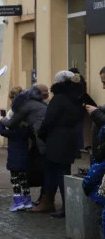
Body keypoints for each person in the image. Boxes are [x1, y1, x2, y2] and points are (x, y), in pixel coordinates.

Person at [35, 70, 85, 217]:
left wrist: (42, 134)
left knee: (58, 173)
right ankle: (53, 203)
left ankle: (63, 206)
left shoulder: (59, 99)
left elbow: (49, 120)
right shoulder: (77, 97)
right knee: (61, 171)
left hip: (56, 139)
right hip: (70, 138)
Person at [1, 83, 49, 205]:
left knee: (21, 176)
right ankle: (33, 200)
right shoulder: (43, 104)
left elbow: (10, 124)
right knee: (39, 172)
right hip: (40, 141)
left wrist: (0, 120)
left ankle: (21, 201)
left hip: (33, 144)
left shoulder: (24, 106)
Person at [0, 86, 32, 211]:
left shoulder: (13, 126)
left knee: (15, 179)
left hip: (14, 155)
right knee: (24, 178)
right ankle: (27, 200)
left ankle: (18, 202)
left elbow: (2, 131)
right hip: (25, 154)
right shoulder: (26, 125)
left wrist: (0, 120)